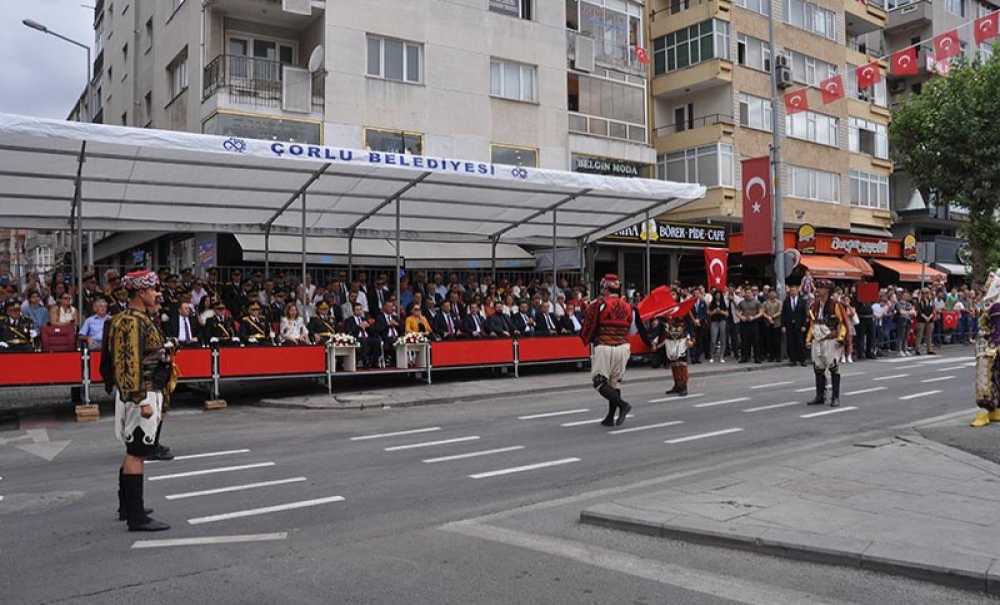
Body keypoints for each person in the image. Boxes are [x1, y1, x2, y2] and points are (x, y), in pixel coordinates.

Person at [101, 270, 172, 532]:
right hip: (140, 394)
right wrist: (141, 400)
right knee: (137, 453)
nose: (157, 294)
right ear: (141, 292)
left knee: (134, 451)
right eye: (153, 290)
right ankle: (136, 517)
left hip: (145, 391)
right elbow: (128, 364)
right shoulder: (130, 321)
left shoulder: (139, 318)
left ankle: (128, 507)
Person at [581, 274, 648, 427]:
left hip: (605, 345)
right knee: (615, 383)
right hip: (623, 347)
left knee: (599, 382)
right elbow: (632, 331)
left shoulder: (599, 304)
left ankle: (623, 405)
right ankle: (610, 417)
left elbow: (589, 326)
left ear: (605, 288)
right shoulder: (629, 307)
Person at [805, 280, 847, 408]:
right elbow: (812, 325)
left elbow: (842, 323)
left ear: (828, 290)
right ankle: (820, 395)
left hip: (830, 340)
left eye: (821, 288)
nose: (818, 289)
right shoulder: (814, 306)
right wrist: (808, 339)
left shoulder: (836, 305)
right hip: (817, 340)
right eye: (817, 287)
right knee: (818, 369)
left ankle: (835, 397)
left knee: (834, 368)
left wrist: (840, 338)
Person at [973, 272, 1000, 426]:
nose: (985, 288)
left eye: (988, 285)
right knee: (991, 375)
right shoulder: (989, 303)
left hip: (990, 344)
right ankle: (990, 409)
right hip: (988, 343)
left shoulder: (993, 304)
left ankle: (989, 409)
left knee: (988, 376)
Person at [654, 315, 692, 396]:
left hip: (681, 342)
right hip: (670, 343)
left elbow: (688, 327)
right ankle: (677, 385)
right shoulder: (663, 318)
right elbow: (659, 331)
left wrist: (690, 339)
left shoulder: (683, 313)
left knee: (681, 365)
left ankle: (684, 386)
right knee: (674, 365)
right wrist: (655, 342)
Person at [344, 302, 381, 368]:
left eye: (360, 309)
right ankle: (365, 361)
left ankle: (374, 361)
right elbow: (349, 332)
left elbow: (373, 332)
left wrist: (368, 326)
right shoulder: (349, 320)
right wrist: (359, 326)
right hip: (357, 338)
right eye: (357, 310)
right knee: (363, 341)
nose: (359, 311)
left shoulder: (365, 319)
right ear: (353, 311)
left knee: (376, 341)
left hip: (367, 338)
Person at [781, 285, 808, 367]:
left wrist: (804, 325)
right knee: (791, 343)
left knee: (800, 342)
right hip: (789, 325)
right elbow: (783, 314)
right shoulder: (786, 301)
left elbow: (804, 314)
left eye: (794, 290)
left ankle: (802, 359)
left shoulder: (802, 301)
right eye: (791, 291)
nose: (792, 292)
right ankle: (793, 360)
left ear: (797, 291)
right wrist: (783, 325)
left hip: (799, 325)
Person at [737, 291, 762, 363]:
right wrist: (741, 317)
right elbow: (737, 311)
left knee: (756, 341)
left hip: (754, 323)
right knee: (744, 341)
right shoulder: (742, 302)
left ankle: (757, 358)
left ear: (752, 294)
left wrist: (754, 317)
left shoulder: (757, 302)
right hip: (744, 323)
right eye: (746, 293)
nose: (748, 294)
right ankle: (744, 357)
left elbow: (761, 312)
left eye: (749, 293)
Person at [708, 289, 728, 363]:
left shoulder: (724, 303)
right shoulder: (711, 303)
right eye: (716, 295)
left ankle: (721, 356)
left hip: (722, 321)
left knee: (723, 339)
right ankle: (712, 356)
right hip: (714, 322)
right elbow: (709, 313)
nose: (718, 296)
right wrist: (714, 311)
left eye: (719, 295)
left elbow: (727, 314)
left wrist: (721, 311)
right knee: (713, 339)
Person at [762, 290, 782, 363]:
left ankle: (778, 356)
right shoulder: (765, 303)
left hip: (777, 323)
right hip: (768, 323)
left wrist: (772, 316)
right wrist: (768, 317)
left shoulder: (779, 302)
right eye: (770, 293)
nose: (772, 294)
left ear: (776, 294)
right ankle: (771, 356)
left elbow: (780, 311)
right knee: (769, 341)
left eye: (773, 293)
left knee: (777, 341)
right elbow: (762, 312)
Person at [915, 289, 937, 355]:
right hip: (921, 320)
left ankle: (929, 349)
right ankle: (917, 349)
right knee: (920, 335)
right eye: (924, 293)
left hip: (930, 320)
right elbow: (919, 311)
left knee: (929, 335)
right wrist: (925, 317)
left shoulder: (931, 301)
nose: (925, 294)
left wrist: (930, 317)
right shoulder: (919, 301)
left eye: (927, 293)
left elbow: (933, 310)